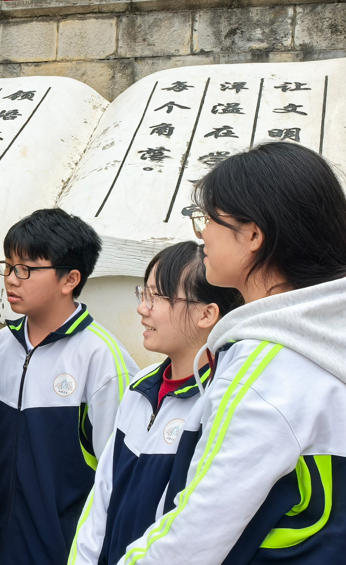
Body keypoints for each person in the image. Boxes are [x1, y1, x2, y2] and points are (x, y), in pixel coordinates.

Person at [118, 142, 346, 563]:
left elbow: (196, 534)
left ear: (254, 235)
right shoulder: (324, 339)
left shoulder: (265, 367)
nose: (202, 233)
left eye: (210, 219)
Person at [0, 208, 138, 565]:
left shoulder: (102, 360)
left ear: (70, 280)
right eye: (8, 266)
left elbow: (118, 479)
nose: (11, 280)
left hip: (61, 552)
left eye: (26, 269)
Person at [69, 242, 241, 564]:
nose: (142, 309)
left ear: (207, 314)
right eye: (143, 294)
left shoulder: (218, 403)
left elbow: (189, 529)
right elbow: (101, 496)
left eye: (157, 297)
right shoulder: (141, 385)